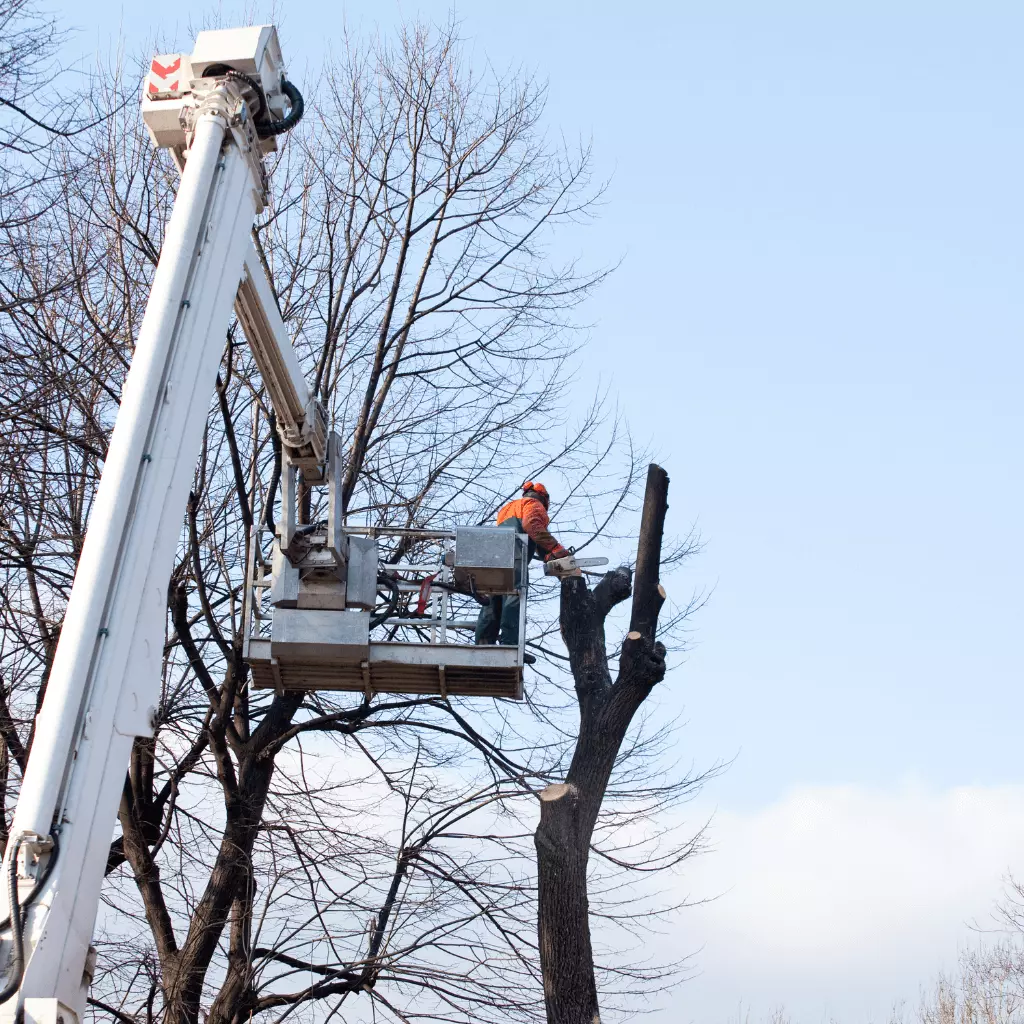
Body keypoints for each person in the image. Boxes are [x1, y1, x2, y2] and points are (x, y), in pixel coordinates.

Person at [474, 482, 570, 661]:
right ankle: (510, 645)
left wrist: (549, 555)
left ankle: (483, 644)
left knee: (493, 599)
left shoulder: (508, 507)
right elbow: (532, 526)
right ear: (544, 499)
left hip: (493, 557)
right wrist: (556, 548)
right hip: (515, 554)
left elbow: (534, 537)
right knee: (514, 596)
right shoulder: (534, 505)